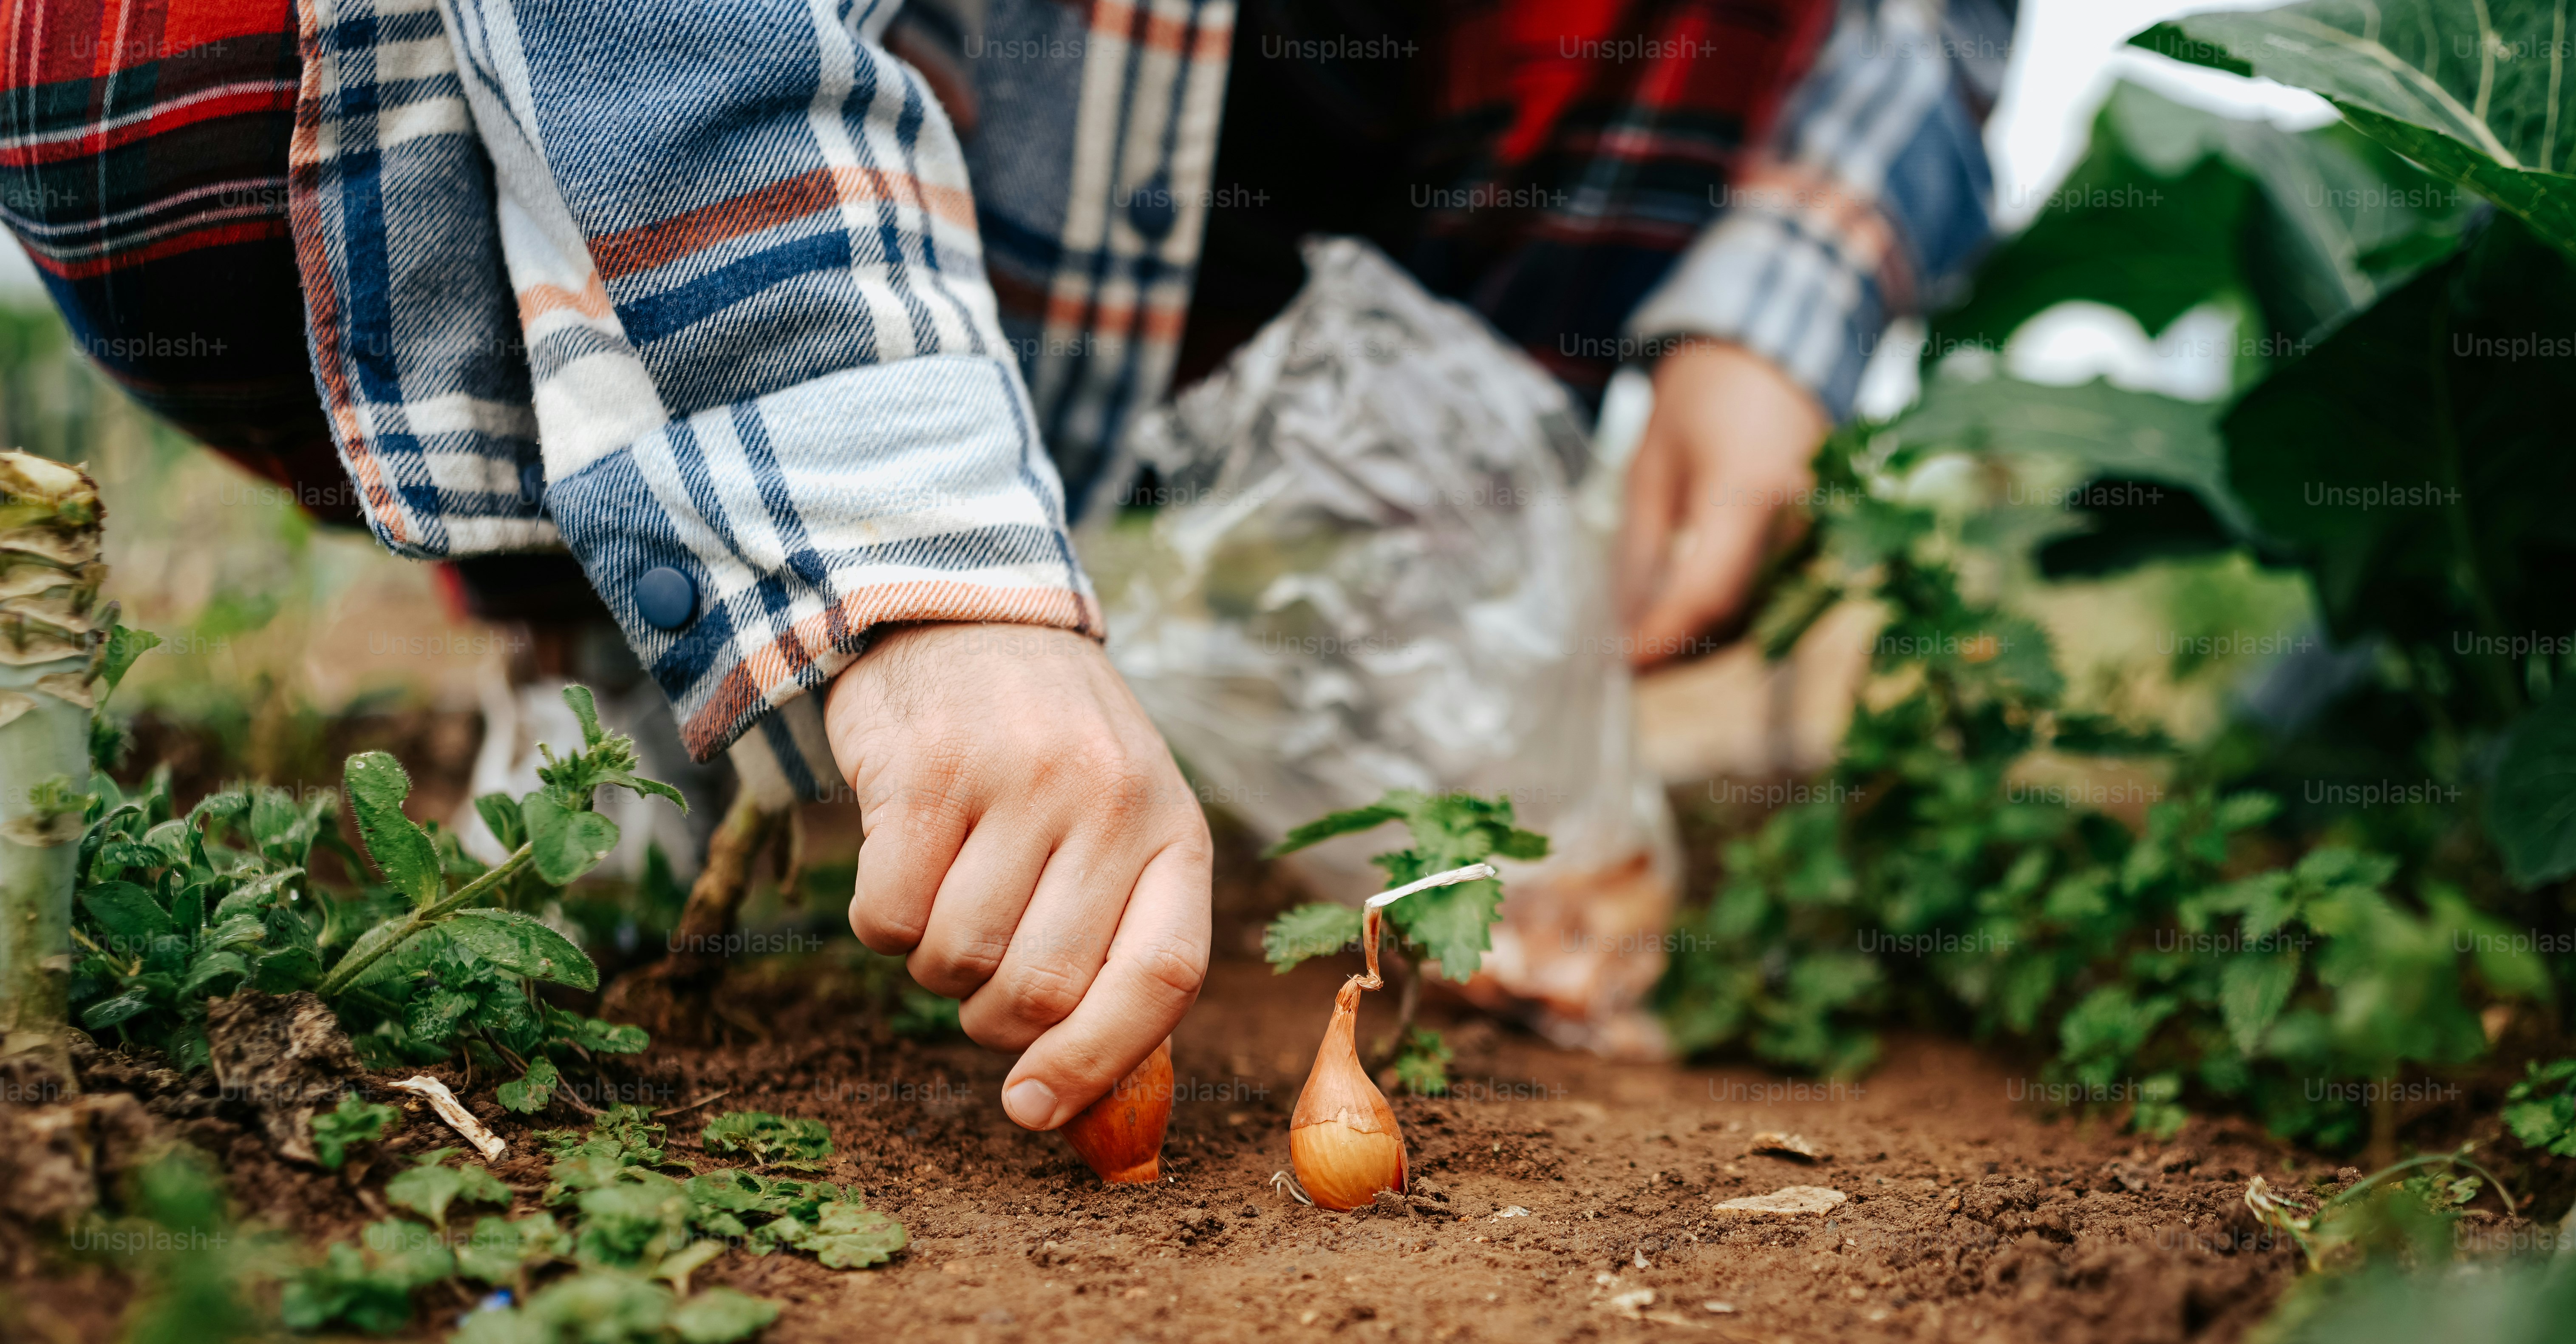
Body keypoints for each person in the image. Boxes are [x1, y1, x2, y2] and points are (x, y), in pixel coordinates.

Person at [0, 0, 2006, 1128]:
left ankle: (1358, 589)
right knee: (163, 97)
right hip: (749, 86)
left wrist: (1786, 278)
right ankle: (631, 614)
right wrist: (914, 554)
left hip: (1216, 208)